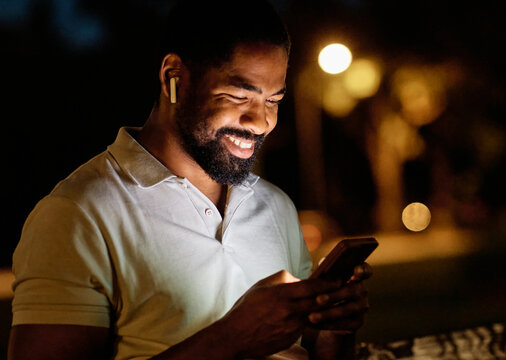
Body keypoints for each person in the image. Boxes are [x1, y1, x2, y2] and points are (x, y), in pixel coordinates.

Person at [8, 1, 372, 359]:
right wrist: (230, 341)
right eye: (238, 95)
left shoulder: (276, 206)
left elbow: (310, 350)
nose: (260, 121)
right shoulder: (76, 215)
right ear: (173, 77)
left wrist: (334, 331)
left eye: (273, 100)